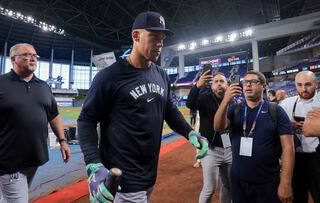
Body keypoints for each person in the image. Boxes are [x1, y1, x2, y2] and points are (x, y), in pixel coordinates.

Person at [78, 11, 208, 203]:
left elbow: (169, 110)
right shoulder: (109, 76)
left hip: (149, 175)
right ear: (136, 36)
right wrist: (94, 165)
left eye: (162, 39)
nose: (160, 44)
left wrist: (190, 133)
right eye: (154, 37)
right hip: (121, 180)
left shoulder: (161, 75)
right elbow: (86, 120)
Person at [0, 43, 71, 202]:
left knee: (10, 199)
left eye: (35, 55)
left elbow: (53, 115)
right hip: (8, 161)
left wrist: (62, 140)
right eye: (27, 54)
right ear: (14, 59)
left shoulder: (43, 87)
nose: (33, 58)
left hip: (35, 158)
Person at [214, 70, 294, 203]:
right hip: (239, 182)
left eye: (253, 82)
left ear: (264, 86)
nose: (248, 85)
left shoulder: (276, 110)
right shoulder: (235, 109)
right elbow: (217, 127)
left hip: (267, 181)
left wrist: (286, 183)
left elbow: (288, 147)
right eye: (245, 82)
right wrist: (225, 101)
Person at [186, 70, 232, 203]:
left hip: (230, 149)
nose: (218, 84)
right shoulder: (205, 98)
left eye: (221, 81)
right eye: (216, 81)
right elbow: (190, 104)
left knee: (229, 186)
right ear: (211, 86)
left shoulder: (233, 100)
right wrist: (197, 86)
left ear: (227, 85)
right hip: (210, 150)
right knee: (209, 188)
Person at [279, 71, 320, 203]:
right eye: (300, 85)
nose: (304, 89)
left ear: (316, 84)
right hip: (295, 158)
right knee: (297, 197)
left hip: (317, 157)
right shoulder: (286, 104)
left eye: (308, 85)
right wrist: (287, 126)